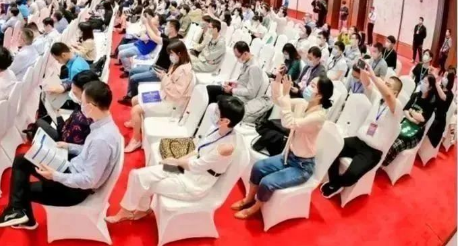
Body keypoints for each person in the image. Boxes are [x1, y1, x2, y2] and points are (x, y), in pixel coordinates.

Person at [0, 80, 122, 230]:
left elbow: (89, 180)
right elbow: (89, 152)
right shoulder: (104, 127)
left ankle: (19, 212)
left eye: (83, 103)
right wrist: (69, 147)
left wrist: (55, 176)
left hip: (74, 189)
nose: (81, 106)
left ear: (91, 107)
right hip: (73, 170)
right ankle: (18, 211)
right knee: (23, 162)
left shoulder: (101, 140)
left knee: (22, 183)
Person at [107, 95, 244, 223]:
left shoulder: (226, 147)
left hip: (194, 183)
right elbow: (197, 149)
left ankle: (130, 211)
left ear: (226, 121)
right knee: (137, 175)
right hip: (185, 169)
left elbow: (197, 166)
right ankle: (135, 210)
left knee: (147, 184)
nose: (213, 113)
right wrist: (176, 160)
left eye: (217, 112)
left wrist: (175, 162)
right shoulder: (216, 129)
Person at [232, 74, 333, 219]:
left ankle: (255, 207)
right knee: (258, 167)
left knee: (267, 182)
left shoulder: (318, 117)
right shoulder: (303, 103)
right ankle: (249, 198)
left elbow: (289, 123)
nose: (307, 88)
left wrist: (286, 96)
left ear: (319, 95)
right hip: (288, 156)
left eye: (312, 86)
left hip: (302, 166)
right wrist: (277, 82)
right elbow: (278, 101)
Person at [321, 63, 404, 197]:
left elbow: (388, 96)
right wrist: (364, 69)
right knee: (332, 147)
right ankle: (334, 181)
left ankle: (337, 183)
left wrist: (374, 76)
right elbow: (366, 83)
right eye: (385, 83)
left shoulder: (397, 107)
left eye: (388, 85)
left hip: (373, 151)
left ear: (395, 93)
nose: (384, 85)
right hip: (359, 140)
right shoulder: (377, 97)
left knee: (352, 175)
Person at [124, 41, 195, 153]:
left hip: (171, 104)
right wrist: (164, 76)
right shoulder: (177, 64)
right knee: (134, 99)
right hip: (164, 95)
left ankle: (136, 140)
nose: (170, 57)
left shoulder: (185, 72)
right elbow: (170, 81)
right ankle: (136, 123)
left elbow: (176, 93)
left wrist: (164, 78)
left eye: (172, 54)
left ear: (179, 54)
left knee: (135, 110)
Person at [118, 19, 181, 106]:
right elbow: (156, 31)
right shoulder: (169, 38)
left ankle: (133, 99)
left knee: (133, 79)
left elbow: (154, 37)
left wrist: (146, 23)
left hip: (159, 72)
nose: (165, 28)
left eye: (167, 26)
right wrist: (148, 21)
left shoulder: (172, 42)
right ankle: (130, 95)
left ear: (172, 28)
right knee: (132, 71)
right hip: (154, 66)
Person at [382, 74, 437, 166]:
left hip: (415, 133)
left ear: (430, 87)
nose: (422, 83)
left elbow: (422, 119)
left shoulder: (431, 102)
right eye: (422, 80)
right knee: (388, 135)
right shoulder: (416, 95)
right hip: (405, 123)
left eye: (425, 82)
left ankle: (383, 164)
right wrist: (412, 117)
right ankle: (378, 159)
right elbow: (405, 109)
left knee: (395, 145)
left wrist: (411, 111)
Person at [32, 70, 98, 145]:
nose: (71, 93)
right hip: (67, 128)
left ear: (85, 94)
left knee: (39, 123)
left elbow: (65, 140)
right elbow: (70, 82)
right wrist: (63, 87)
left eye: (75, 93)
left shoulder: (81, 121)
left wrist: (57, 117)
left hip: (64, 141)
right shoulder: (94, 98)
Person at [427, 68, 456, 149]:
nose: (444, 78)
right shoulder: (439, 87)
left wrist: (436, 83)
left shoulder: (450, 94)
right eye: (444, 76)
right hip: (430, 113)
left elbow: (443, 97)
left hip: (438, 120)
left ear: (450, 80)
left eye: (446, 77)